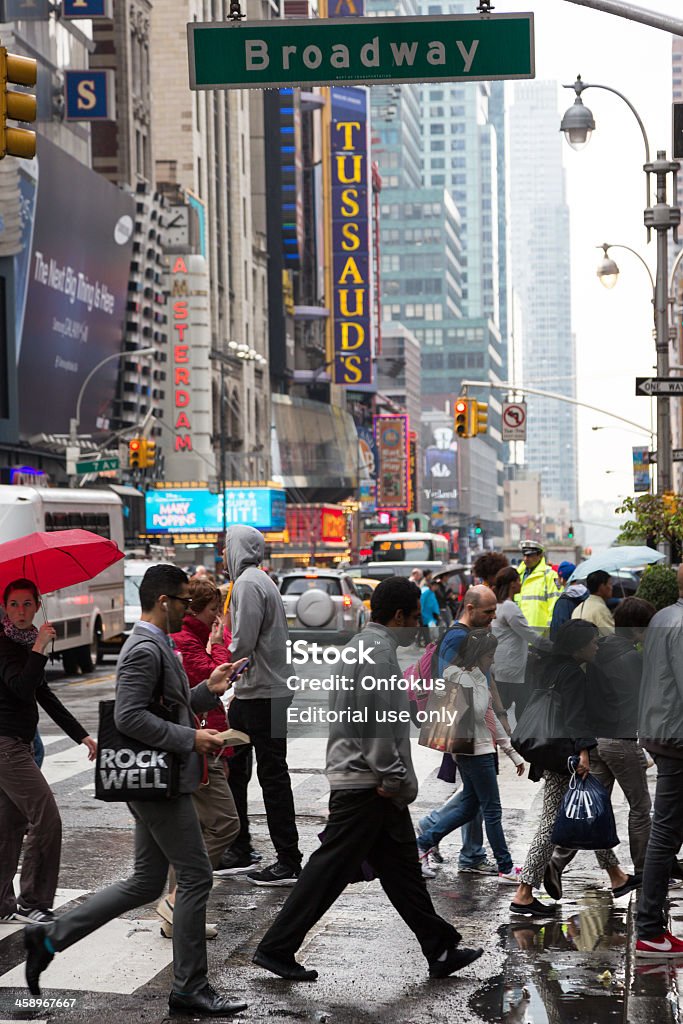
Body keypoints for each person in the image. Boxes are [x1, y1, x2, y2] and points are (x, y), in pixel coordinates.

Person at [22, 564, 247, 1016]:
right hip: (158, 784)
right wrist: (192, 739)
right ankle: (189, 987)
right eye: (184, 601)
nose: (188, 609)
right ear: (164, 602)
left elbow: (165, 705)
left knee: (145, 882)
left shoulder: (157, 644)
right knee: (198, 875)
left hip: (155, 782)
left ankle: (50, 937)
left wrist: (208, 690)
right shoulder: (144, 647)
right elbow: (128, 718)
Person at [252, 577, 483, 981]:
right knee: (328, 870)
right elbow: (375, 722)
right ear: (397, 616)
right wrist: (392, 780)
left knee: (403, 870)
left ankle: (440, 948)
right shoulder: (377, 653)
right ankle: (276, 947)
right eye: (414, 618)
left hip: (364, 778)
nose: (417, 626)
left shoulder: (360, 645)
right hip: (368, 783)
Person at [510, 620, 638, 919]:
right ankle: (524, 892)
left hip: (551, 751)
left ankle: (617, 876)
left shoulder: (549, 666)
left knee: (590, 809)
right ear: (579, 646)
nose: (596, 647)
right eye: (593, 642)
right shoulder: (571, 674)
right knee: (551, 824)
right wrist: (582, 751)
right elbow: (574, 717)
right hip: (564, 756)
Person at [544, 597, 655, 900]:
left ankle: (557, 860)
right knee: (641, 808)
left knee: (593, 809)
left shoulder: (598, 648)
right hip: (620, 741)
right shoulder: (631, 658)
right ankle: (645, 873)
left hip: (595, 743)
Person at [0, 579, 97, 925]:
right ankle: (32, 901)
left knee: (10, 826)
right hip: (7, 747)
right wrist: (40, 648)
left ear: (39, 604)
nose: (21, 612)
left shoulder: (24, 643)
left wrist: (82, 735)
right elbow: (22, 688)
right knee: (47, 819)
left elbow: (45, 696)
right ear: (5, 606)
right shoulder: (7, 645)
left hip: (17, 745)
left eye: (28, 604)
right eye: (14, 604)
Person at [159, 576, 243, 935]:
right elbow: (208, 677)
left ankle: (177, 912)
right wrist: (220, 647)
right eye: (212, 610)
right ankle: (177, 899)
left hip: (207, 739)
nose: (216, 617)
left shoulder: (193, 637)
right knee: (226, 824)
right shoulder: (183, 640)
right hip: (197, 743)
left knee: (192, 831)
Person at [221, 525, 302, 885]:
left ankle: (286, 859)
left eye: (227, 546)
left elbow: (242, 643)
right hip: (260, 692)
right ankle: (240, 848)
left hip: (263, 694)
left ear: (236, 549)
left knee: (269, 776)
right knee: (240, 771)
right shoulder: (260, 580)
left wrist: (216, 654)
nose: (224, 552)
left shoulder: (248, 584)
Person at [416, 630, 524, 882]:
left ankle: (423, 843)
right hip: (474, 752)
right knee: (492, 810)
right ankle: (505, 867)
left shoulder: (473, 678)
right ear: (478, 655)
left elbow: (489, 718)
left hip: (478, 750)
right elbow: (476, 713)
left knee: (469, 807)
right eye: (490, 656)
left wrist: (511, 752)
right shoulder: (462, 678)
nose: (492, 661)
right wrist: (478, 681)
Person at [429, 585, 500, 875]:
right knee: (478, 794)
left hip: (476, 723)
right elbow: (451, 685)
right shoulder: (458, 637)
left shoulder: (471, 635)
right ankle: (432, 833)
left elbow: (484, 679)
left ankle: (470, 853)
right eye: (488, 612)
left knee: (474, 793)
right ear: (470, 609)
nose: (493, 617)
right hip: (466, 727)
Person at [636, 565, 683, 956]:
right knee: (665, 834)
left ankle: (652, 923)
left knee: (668, 831)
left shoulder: (663, 616)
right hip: (677, 739)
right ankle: (650, 928)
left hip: (661, 731)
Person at [491, 566, 539, 722]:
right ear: (512, 584)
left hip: (501, 665)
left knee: (502, 707)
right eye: (518, 580)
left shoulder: (497, 605)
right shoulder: (509, 607)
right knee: (520, 707)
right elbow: (529, 634)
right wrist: (553, 647)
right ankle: (520, 741)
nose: (520, 583)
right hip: (512, 668)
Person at [516, 541, 562, 631]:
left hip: (539, 635)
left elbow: (554, 606)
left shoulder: (550, 576)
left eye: (529, 555)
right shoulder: (518, 575)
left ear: (540, 555)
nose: (525, 559)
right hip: (520, 634)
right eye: (524, 555)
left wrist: (549, 632)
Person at [549, 562, 588, 641]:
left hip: (567, 648)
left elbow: (558, 630)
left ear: (562, 579)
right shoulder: (587, 595)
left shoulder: (563, 602)